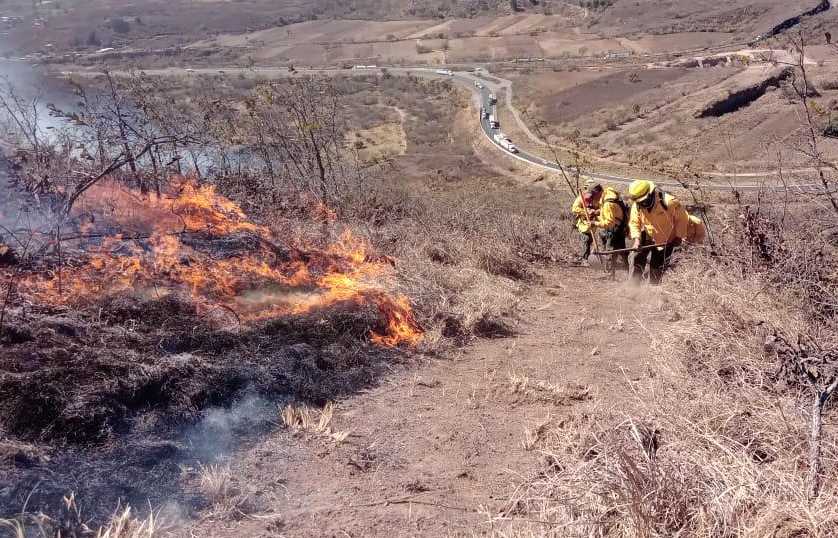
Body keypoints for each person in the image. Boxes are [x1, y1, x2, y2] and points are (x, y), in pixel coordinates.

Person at [627, 180, 690, 284]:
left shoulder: (670, 202)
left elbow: (682, 219)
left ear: (651, 193)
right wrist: (637, 240)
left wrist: (679, 236)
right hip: (647, 233)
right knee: (636, 258)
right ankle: (633, 286)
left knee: (657, 266)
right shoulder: (637, 205)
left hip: (666, 237)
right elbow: (634, 223)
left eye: (644, 201)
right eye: (639, 202)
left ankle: (652, 289)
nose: (642, 204)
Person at [592, 185, 629, 270]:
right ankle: (629, 272)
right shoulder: (610, 196)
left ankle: (609, 274)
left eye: (593, 195)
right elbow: (612, 212)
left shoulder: (608, 203)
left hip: (613, 230)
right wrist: (598, 212)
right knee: (622, 252)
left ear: (598, 193)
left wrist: (595, 223)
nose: (593, 198)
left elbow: (609, 222)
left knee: (610, 253)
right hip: (619, 228)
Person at [571, 180, 603, 265]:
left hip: (593, 224)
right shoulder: (581, 198)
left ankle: (590, 256)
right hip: (583, 224)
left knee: (590, 240)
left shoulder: (599, 199)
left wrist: (596, 211)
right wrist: (586, 212)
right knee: (586, 239)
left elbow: (602, 209)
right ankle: (584, 259)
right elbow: (574, 209)